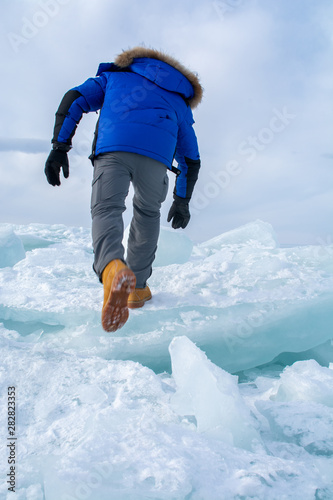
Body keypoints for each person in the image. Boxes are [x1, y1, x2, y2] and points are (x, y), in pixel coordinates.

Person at [44, 46, 203, 332]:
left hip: (114, 149)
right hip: (156, 161)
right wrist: (182, 200)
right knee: (147, 213)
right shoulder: (178, 101)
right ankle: (137, 289)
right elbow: (191, 158)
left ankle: (112, 268)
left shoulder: (116, 77)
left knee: (107, 209)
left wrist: (60, 146)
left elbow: (74, 99)